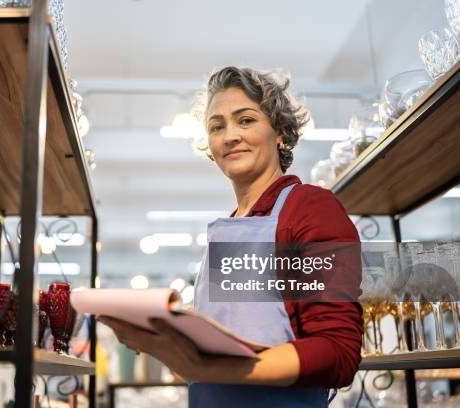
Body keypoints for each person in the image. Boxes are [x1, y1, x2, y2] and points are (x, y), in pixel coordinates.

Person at [98, 66, 363, 407]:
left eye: (246, 120)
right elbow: (228, 344)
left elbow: (337, 352)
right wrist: (163, 339)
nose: (230, 136)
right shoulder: (231, 229)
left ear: (280, 132)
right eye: (216, 126)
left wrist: (221, 369)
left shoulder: (309, 209)